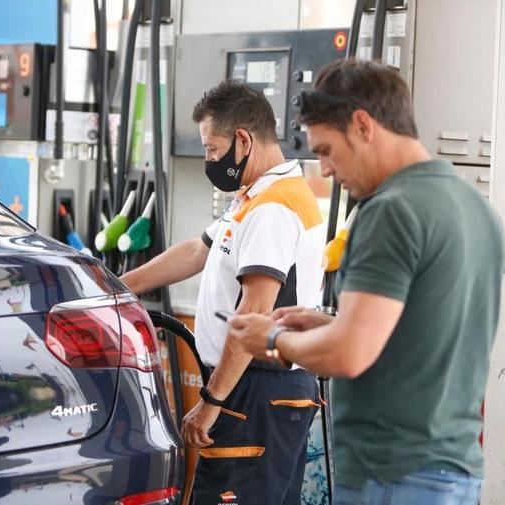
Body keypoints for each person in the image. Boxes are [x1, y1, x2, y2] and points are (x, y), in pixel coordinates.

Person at [227, 59, 505, 505]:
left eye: (325, 151)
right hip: (453, 470)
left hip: (392, 474)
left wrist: (272, 339)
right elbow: (418, 336)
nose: (327, 170)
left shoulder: (391, 211)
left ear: (362, 126)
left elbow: (351, 354)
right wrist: (327, 324)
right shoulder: (475, 206)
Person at [119, 79, 326, 505]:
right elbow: (197, 250)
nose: (210, 161)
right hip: (253, 388)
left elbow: (254, 312)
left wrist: (211, 400)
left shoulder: (273, 209)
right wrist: (115, 287)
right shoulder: (255, 196)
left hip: (257, 390)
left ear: (244, 140)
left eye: (213, 150)